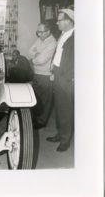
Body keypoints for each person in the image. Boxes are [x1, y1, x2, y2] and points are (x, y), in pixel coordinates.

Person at [46, 8, 74, 152]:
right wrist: (53, 67)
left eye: (59, 20)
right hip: (58, 73)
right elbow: (58, 53)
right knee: (59, 107)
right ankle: (60, 133)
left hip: (66, 77)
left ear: (68, 21)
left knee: (66, 109)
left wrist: (69, 78)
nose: (57, 23)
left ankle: (65, 140)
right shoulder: (62, 34)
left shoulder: (75, 37)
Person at [29, 23, 57, 129]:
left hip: (46, 75)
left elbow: (40, 60)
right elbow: (30, 51)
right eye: (38, 32)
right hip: (37, 73)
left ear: (48, 31)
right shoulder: (39, 40)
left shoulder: (52, 42)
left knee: (45, 100)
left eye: (41, 32)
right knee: (35, 97)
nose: (39, 34)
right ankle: (36, 118)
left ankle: (42, 121)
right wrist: (38, 55)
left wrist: (35, 57)